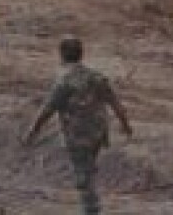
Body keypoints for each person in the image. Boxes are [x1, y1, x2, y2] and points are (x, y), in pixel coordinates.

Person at [22, 36, 133, 215]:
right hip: (98, 131)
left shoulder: (64, 81)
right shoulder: (96, 77)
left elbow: (47, 109)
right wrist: (125, 125)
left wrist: (32, 132)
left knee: (83, 176)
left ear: (62, 55)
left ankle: (91, 209)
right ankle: (90, 197)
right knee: (87, 168)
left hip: (78, 134)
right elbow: (115, 103)